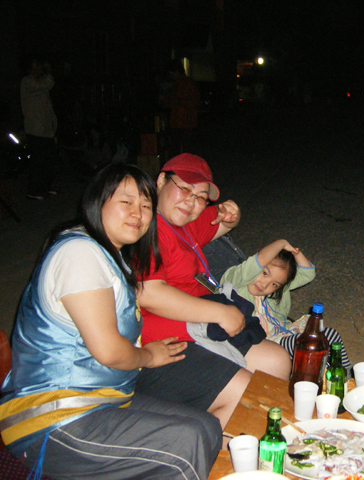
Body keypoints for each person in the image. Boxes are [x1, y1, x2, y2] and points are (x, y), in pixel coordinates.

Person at [0, 164, 221, 479]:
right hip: (52, 419)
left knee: (206, 426)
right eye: (126, 201)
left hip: (104, 400)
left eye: (146, 205)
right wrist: (149, 356)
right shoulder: (79, 253)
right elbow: (109, 351)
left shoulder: (111, 255)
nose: (138, 213)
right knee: (185, 442)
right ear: (97, 201)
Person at [136, 153, 291, 427]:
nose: (191, 201)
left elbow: (222, 222)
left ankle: (254, 433)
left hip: (203, 322)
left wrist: (232, 215)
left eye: (201, 197)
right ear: (160, 181)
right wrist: (219, 313)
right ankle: (213, 441)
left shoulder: (183, 223)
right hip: (167, 335)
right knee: (246, 392)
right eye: (185, 188)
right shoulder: (147, 229)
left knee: (277, 361)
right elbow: (149, 293)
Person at [191, 239, 352, 369]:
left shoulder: (277, 291)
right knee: (310, 342)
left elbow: (307, 274)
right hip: (268, 344)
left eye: (275, 284)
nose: (265, 284)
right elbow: (258, 262)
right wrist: (281, 243)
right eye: (264, 273)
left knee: (329, 335)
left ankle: (345, 372)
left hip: (286, 333)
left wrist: (295, 253)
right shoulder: (237, 283)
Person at [21, 58, 58, 200]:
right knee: (37, 161)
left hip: (47, 130)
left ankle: (46, 187)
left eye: (39, 67)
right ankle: (34, 190)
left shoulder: (41, 82)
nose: (38, 70)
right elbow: (44, 85)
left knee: (48, 161)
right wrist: (48, 73)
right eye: (34, 67)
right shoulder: (27, 82)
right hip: (35, 130)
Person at [161, 60, 200, 155]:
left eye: (171, 73)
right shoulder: (180, 83)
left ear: (176, 72)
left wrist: (169, 100)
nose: (170, 76)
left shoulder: (184, 84)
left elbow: (192, 102)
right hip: (182, 122)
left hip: (183, 122)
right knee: (183, 149)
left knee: (180, 149)